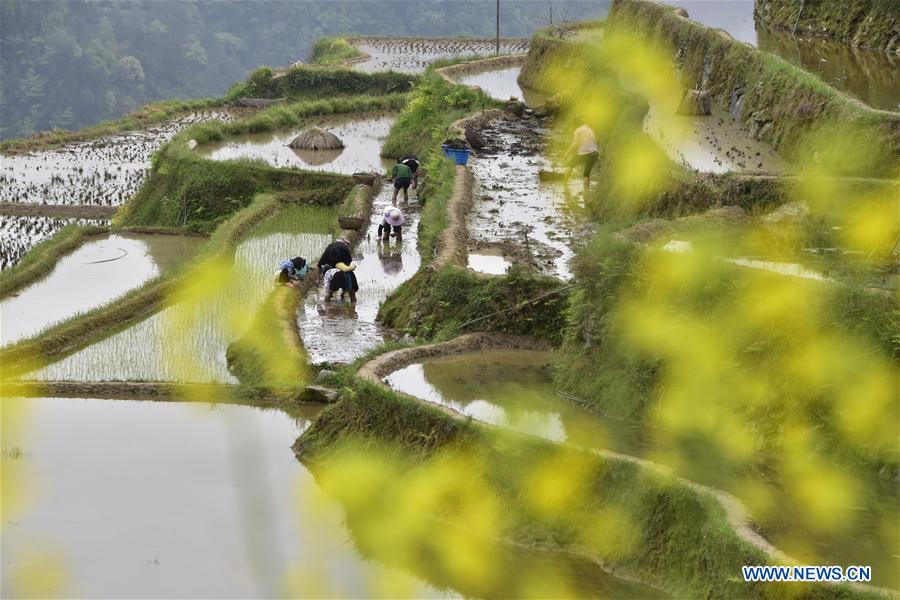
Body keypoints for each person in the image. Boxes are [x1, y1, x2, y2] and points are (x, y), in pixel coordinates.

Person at [563, 123, 599, 196]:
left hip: (585, 153)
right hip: (594, 153)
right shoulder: (590, 130)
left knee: (570, 164)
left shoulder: (578, 130)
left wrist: (567, 153)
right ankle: (586, 193)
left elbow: (575, 143)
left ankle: (564, 184)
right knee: (587, 173)